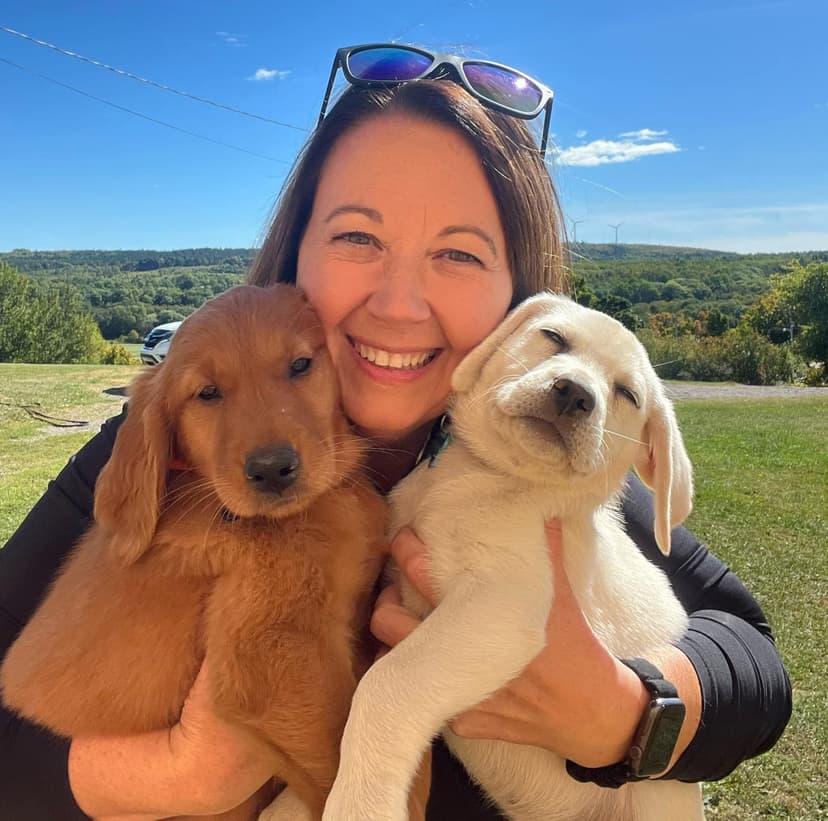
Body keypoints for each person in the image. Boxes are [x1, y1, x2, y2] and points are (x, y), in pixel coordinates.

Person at [0, 44, 791, 820]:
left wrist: (625, 712)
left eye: (458, 253)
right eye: (357, 238)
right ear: (295, 252)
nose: (401, 303)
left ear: (515, 297)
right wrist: (161, 776)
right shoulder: (175, 445)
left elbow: (754, 660)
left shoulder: (516, 459)